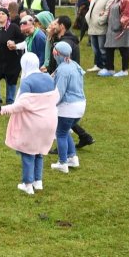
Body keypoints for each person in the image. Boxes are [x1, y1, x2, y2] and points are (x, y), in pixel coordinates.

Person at [0, 53, 58, 195]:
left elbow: (21, 105)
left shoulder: (27, 82)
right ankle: (38, 182)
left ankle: (28, 184)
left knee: (27, 153)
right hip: (49, 121)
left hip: (32, 124)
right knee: (39, 151)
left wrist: (2, 110)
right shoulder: (48, 78)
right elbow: (56, 97)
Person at [49, 42, 86, 175]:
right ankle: (72, 157)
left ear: (57, 53)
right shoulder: (74, 65)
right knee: (66, 131)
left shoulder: (63, 70)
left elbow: (59, 91)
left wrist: (49, 105)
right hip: (80, 105)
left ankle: (62, 162)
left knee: (61, 133)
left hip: (68, 107)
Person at [100, 0, 129, 77]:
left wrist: (119, 24)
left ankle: (125, 70)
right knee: (109, 48)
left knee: (124, 49)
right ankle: (110, 69)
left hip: (122, 29)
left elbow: (127, 15)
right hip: (112, 28)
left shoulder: (126, 0)